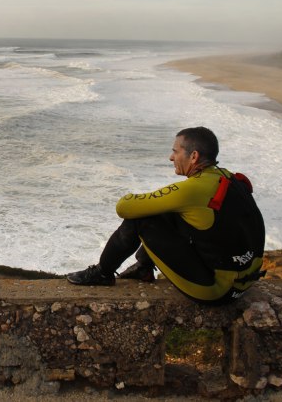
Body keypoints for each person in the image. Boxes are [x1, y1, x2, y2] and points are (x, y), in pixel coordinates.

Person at [66, 127, 266, 305]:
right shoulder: (229, 178)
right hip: (242, 282)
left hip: (216, 290)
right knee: (172, 213)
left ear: (194, 156)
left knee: (141, 219)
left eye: (175, 151)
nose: (171, 158)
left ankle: (102, 273)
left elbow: (124, 207)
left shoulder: (193, 190)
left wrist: (139, 198)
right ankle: (144, 269)